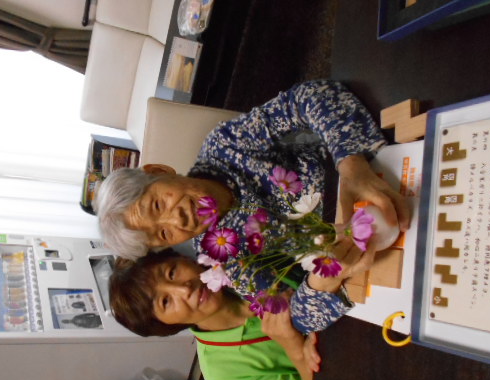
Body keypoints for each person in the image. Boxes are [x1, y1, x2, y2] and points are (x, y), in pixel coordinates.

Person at [95, 80, 411, 331]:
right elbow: (291, 316)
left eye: (156, 205)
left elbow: (309, 97)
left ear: (158, 171)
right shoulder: (220, 253)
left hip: (375, 171)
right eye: (164, 234)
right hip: (372, 244)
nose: (177, 220)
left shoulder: (225, 147)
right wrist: (322, 277)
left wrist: (350, 164)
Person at [109, 248, 352, 380]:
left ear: (183, 258)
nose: (184, 289)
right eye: (165, 301)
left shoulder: (243, 263)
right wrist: (293, 346)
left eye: (171, 272)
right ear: (167, 326)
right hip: (356, 378)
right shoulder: (221, 375)